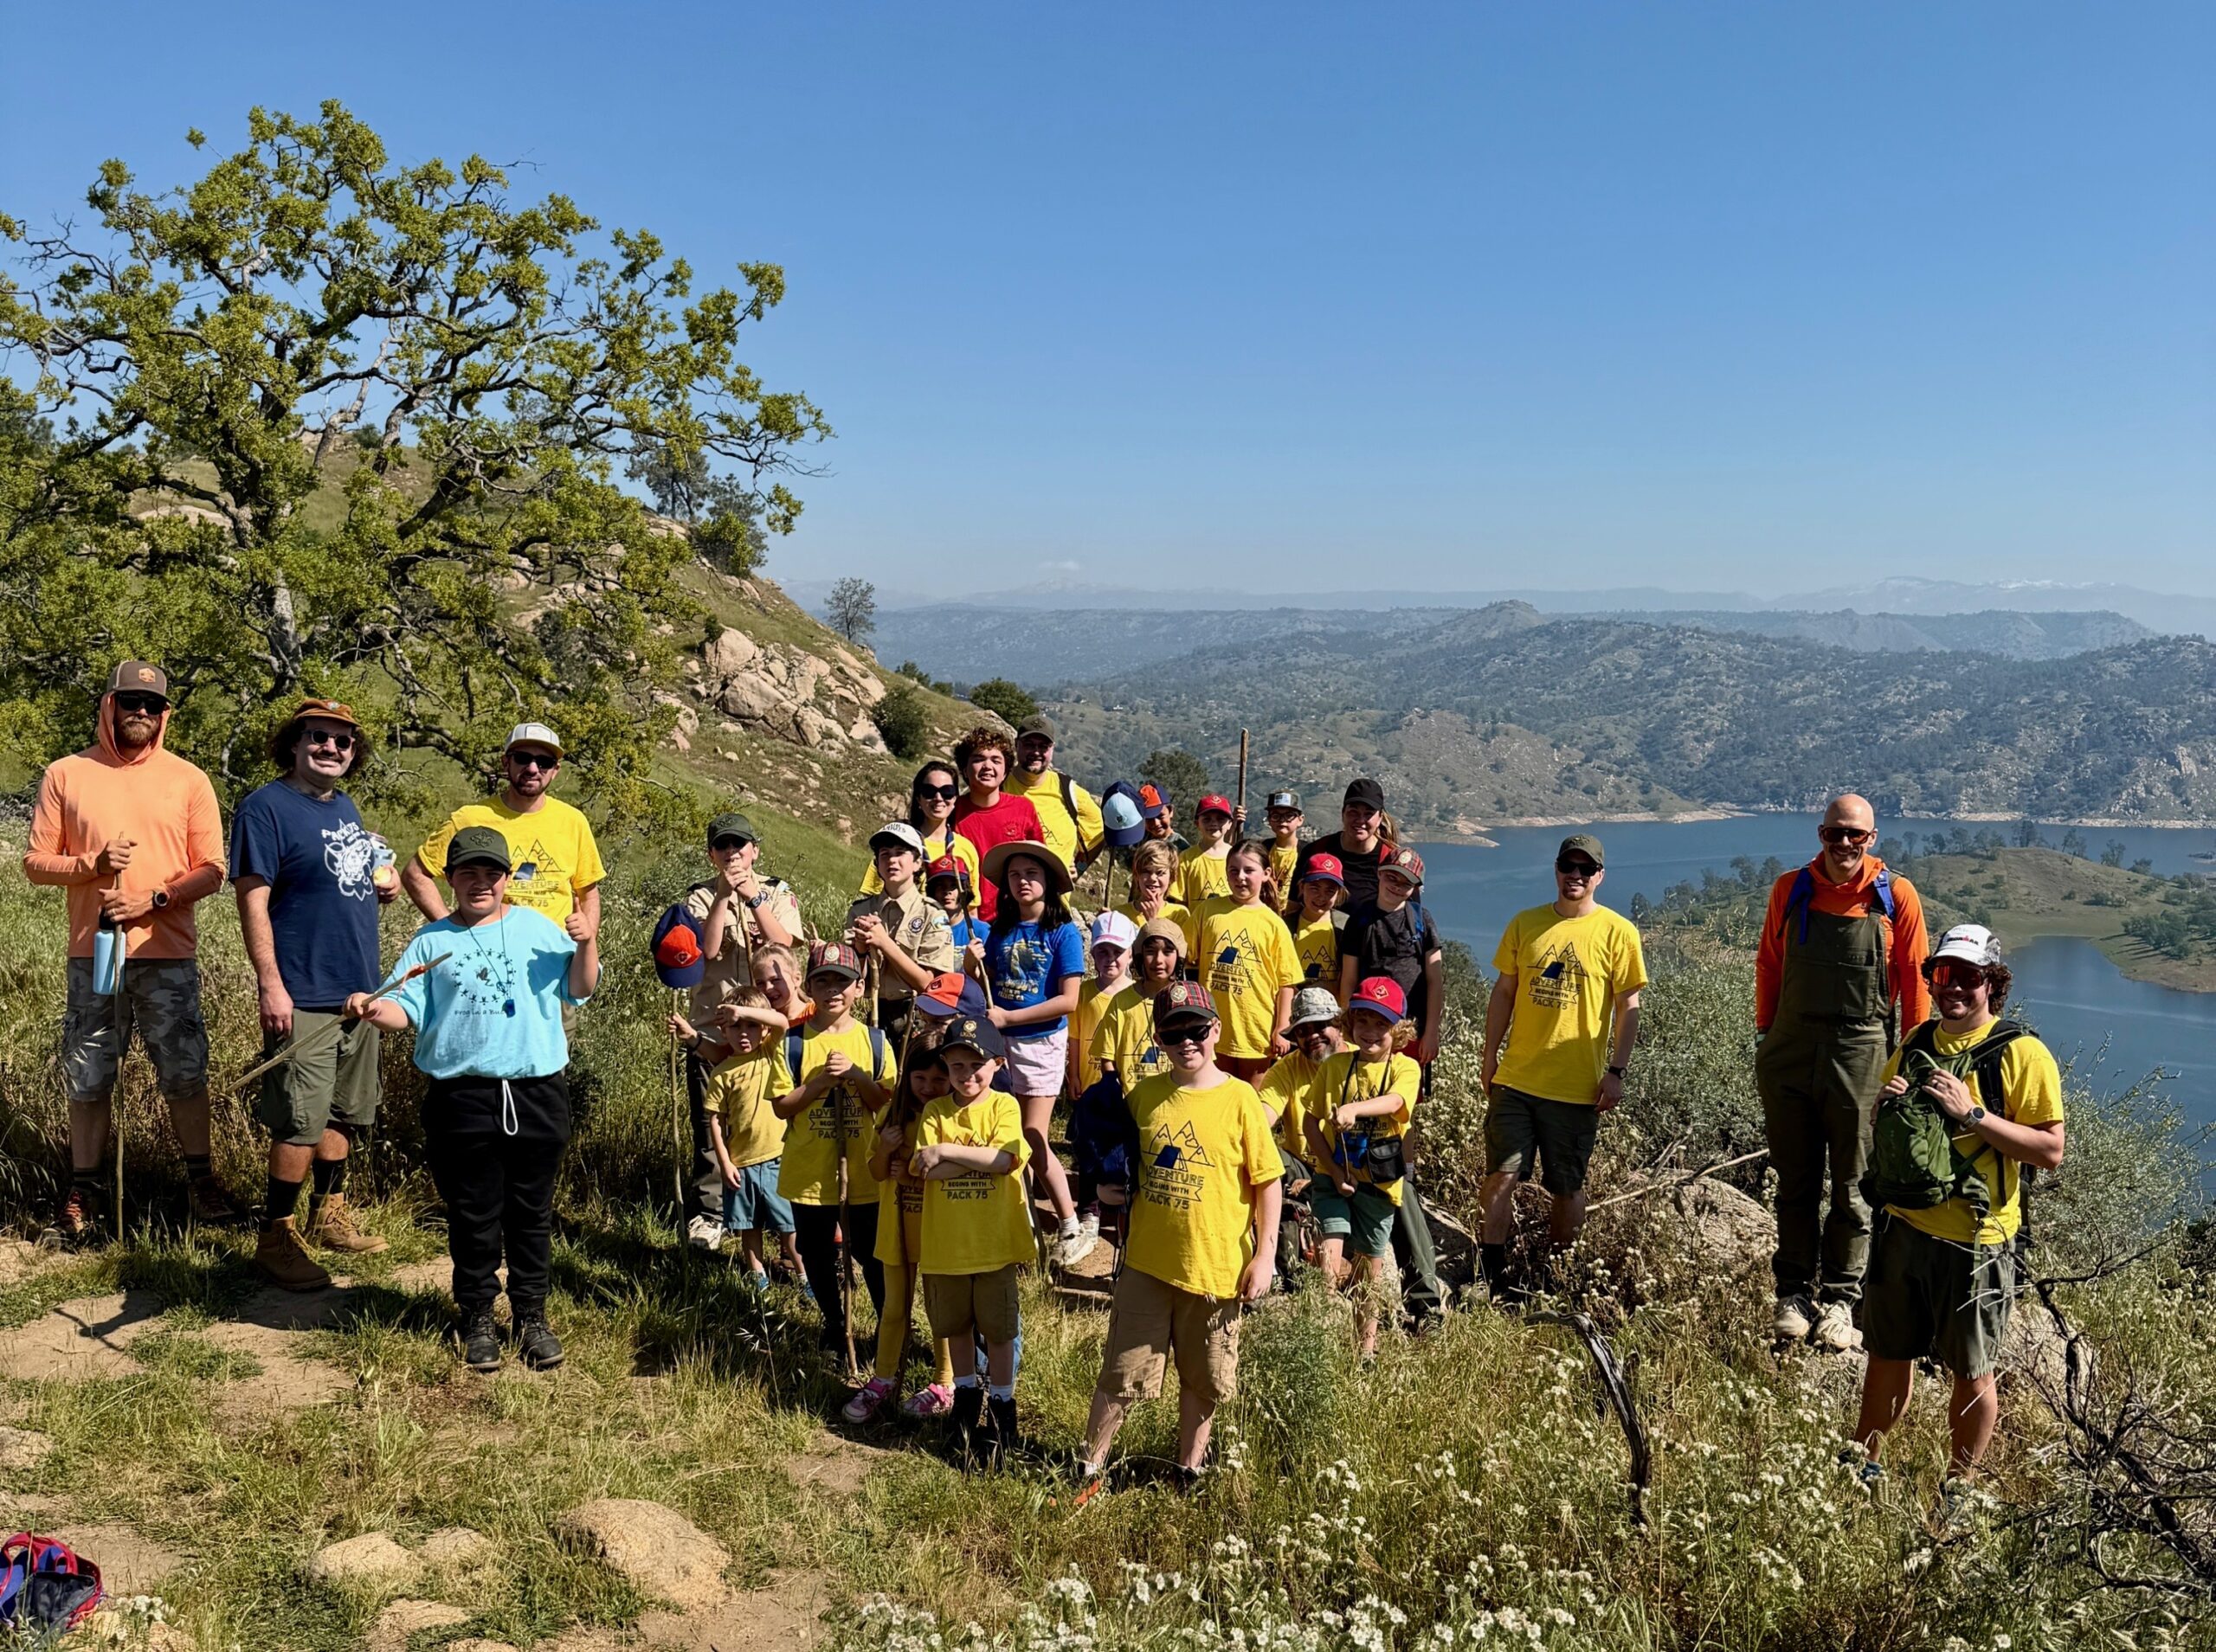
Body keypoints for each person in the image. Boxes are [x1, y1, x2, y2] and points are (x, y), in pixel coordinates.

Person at [345, 826, 600, 1371]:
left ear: (508, 879)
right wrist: (372, 1008)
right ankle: (478, 1316)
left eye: (491, 873)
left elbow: (580, 987)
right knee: (473, 1214)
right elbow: (403, 1011)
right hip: (460, 1097)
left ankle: (531, 1316)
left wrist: (587, 939)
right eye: (468, 873)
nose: (480, 882)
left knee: (531, 1212)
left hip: (535, 1091)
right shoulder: (431, 942)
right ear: (451, 879)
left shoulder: (539, 928)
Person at [1852, 925, 2064, 1512]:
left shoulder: (2020, 1052)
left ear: (1992, 985)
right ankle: (1862, 1467)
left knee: (1972, 1371)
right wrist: (1890, 1104)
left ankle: (1958, 1489)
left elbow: (2050, 1150)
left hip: (1977, 1240)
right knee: (1886, 1353)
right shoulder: (1917, 1042)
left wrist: (1972, 1114)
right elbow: (1884, 1127)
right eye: (1942, 975)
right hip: (1901, 1227)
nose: (1953, 989)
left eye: (1968, 977)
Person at [25, 661, 236, 1237]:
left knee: (185, 1072)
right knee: (89, 1072)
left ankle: (201, 1183)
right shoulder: (66, 774)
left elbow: (213, 869)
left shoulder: (189, 780)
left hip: (167, 954)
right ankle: (84, 1191)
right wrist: (90, 866)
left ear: (164, 713)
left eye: (152, 703)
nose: (140, 711)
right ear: (109, 705)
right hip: (94, 954)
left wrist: (154, 897)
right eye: (130, 701)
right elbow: (35, 863)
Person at [1075, 981, 1282, 1490]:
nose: (1186, 1041)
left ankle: (1188, 1469)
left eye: (1196, 1029)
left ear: (1216, 1029)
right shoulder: (1144, 1096)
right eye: (1173, 1032)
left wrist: (1266, 1256)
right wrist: (1108, 1185)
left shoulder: (1240, 1099)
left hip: (1215, 1267)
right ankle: (1089, 1466)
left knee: (1204, 1375)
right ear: (1159, 1039)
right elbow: (1124, 1167)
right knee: (1122, 1370)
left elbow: (1267, 1182)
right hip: (1147, 1262)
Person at [230, 697, 399, 1289]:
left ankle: (328, 1214)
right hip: (301, 989)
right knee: (300, 1119)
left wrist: (383, 882)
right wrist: (270, 985)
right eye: (318, 737)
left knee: (344, 1111)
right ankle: (274, 1234)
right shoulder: (265, 808)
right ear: (294, 743)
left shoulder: (345, 807)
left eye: (343, 740)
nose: (331, 747)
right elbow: (252, 902)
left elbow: (342, 876)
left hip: (358, 990)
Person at [1755, 794, 1931, 1351]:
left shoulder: (1894, 896)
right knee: (1796, 1177)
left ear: (1873, 838)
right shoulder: (1792, 888)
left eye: (1857, 835)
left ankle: (1839, 1298)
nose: (1846, 845)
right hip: (1791, 1046)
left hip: (1862, 1050)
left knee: (1854, 1182)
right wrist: (1767, 1036)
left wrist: (1911, 1060)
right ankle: (1792, 1292)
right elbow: (1770, 962)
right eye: (1836, 834)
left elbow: (1915, 981)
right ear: (1821, 835)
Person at [1479, 834, 1646, 1302]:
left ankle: (1555, 1281)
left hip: (1576, 1089)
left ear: (1599, 876)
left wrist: (1617, 1071)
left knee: (1567, 1188)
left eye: (1585, 869)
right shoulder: (1525, 924)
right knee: (1501, 1176)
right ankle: (1491, 1280)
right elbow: (1504, 993)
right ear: (1555, 870)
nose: (1575, 875)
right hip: (1516, 1079)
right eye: (1567, 866)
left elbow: (1628, 1007)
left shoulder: (1618, 933)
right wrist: (1489, 1056)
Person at [668, 811, 804, 1250]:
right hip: (717, 1028)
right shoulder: (699, 899)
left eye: (740, 846)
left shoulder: (778, 892)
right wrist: (724, 898)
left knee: (770, 1121)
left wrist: (753, 898)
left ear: (755, 851)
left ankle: (777, 1211)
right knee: (714, 1122)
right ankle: (711, 1214)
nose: (733, 853)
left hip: (769, 1032)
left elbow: (784, 945)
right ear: (712, 854)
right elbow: (706, 952)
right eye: (723, 846)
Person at [913, 1014, 1034, 1465]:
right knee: (956, 1327)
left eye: (975, 1065)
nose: (966, 1075)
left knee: (999, 1331)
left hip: (993, 1245)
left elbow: (1005, 1160)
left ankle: (1002, 1405)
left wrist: (946, 1150)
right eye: (956, 1066)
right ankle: (966, 1400)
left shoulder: (1004, 1107)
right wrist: (978, 1160)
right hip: (947, 1247)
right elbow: (926, 1170)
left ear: (997, 1064)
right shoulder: (934, 1111)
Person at [770, 941, 899, 1364]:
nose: (832, 990)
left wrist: (857, 1075)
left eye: (842, 981)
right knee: (817, 1253)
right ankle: (833, 1324)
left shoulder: (875, 1041)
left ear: (859, 988)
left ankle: (890, 1330)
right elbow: (781, 1105)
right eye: (822, 980)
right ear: (808, 987)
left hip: (864, 1172)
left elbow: (884, 1101)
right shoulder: (792, 1043)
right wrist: (821, 1083)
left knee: (873, 1257)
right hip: (810, 1173)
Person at [978, 841, 1094, 1267]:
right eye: (1014, 875)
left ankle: (1069, 1222)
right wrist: (975, 964)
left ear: (1048, 881)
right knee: (1008, 1131)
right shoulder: (999, 931)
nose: (1023, 881)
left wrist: (1010, 1019)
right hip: (1003, 1044)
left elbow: (1069, 1000)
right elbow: (989, 980)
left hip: (1042, 1043)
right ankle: (1019, 1222)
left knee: (1033, 1135)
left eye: (1032, 873)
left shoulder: (1062, 933)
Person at [1304, 978, 1424, 1357]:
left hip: (1378, 1186)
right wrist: (1335, 1172)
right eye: (1363, 1021)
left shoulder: (1406, 1069)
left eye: (1381, 1024)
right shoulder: (1336, 1066)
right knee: (1330, 1250)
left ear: (1398, 1029)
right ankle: (1318, 1337)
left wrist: (1355, 1109)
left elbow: (1395, 1103)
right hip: (1333, 1176)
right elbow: (1310, 1123)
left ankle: (1365, 1351)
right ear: (1350, 1024)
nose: (1370, 1032)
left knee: (1368, 1275)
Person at [846, 1033, 961, 1424]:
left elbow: (942, 1173)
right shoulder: (892, 1116)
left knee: (939, 1310)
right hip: (895, 1231)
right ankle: (883, 1379)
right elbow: (876, 1172)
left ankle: (944, 1383)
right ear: (907, 1077)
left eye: (938, 1080)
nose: (928, 1088)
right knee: (894, 1309)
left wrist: (910, 1167)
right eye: (920, 1079)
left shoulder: (949, 1118)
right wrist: (883, 1150)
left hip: (938, 1234)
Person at [404, 723, 605, 945]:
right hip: (489, 957)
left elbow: (589, 894)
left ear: (555, 770)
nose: (532, 768)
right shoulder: (470, 819)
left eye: (544, 762)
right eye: (522, 758)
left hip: (556, 960)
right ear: (506, 762)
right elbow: (415, 874)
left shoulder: (573, 822)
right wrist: (455, 935)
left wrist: (587, 948)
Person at [699, 989, 793, 1291]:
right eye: (735, 1026)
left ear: (762, 1028)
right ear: (722, 1029)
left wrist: (744, 1013)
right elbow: (715, 1119)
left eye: (750, 1025)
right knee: (747, 1225)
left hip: (779, 1155)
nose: (743, 1033)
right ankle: (757, 1275)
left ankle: (804, 1274)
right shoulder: (722, 1072)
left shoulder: (769, 1051)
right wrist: (724, 1163)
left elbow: (782, 1022)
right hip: (741, 1162)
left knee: (788, 1225)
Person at [1195, 841, 1299, 1082]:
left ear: (1266, 874)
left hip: (1255, 1030)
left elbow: (1287, 983)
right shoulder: (1208, 911)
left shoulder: (1273, 924)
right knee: (1218, 1100)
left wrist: (1281, 1029)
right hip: (1212, 1026)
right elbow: (1187, 955)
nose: (1240, 877)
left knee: (1252, 1105)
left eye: (1248, 871)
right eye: (1234, 870)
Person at [1256, 987, 1341, 1278]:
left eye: (1321, 1026)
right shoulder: (1287, 1069)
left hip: (1349, 1169)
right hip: (1300, 1167)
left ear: (1339, 1025)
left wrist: (1321, 1181)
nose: (1313, 1035)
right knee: (1258, 1151)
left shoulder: (1360, 1061)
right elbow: (1261, 1119)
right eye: (1304, 1031)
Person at [847, 822, 958, 1043]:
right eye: (885, 854)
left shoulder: (932, 913)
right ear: (877, 863)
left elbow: (929, 984)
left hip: (916, 1017)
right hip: (874, 1014)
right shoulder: (860, 910)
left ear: (917, 862)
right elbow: (853, 982)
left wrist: (884, 943)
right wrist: (860, 949)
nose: (892, 860)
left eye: (900, 853)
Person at [1337, 845, 1444, 1064]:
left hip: (1410, 1029)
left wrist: (1431, 1033)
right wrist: (1347, 1028)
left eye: (1405, 883)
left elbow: (1435, 980)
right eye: (1391, 877)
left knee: (1405, 1092)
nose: (1396, 886)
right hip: (1368, 1029)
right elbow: (1348, 978)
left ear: (1415, 888)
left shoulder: (1421, 920)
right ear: (1379, 874)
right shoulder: (1359, 920)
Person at [950, 726, 1046, 922]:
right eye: (978, 759)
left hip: (1015, 918)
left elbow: (1040, 864)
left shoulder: (1023, 808)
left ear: (1005, 771)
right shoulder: (952, 811)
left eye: (996, 760)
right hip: (964, 919)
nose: (987, 766)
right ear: (964, 770)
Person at [1089, 918, 1189, 1091]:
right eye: (1151, 952)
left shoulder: (1188, 1003)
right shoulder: (1121, 1002)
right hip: (1130, 1102)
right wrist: (1113, 1088)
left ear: (1179, 956)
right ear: (1139, 955)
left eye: (1167, 952)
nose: (1158, 960)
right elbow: (1107, 1057)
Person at [862, 762, 982, 902]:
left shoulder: (966, 849)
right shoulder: (896, 841)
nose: (938, 798)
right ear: (918, 798)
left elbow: (971, 909)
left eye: (947, 792)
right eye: (929, 791)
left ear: (955, 799)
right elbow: (871, 899)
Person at [1006, 715, 1105, 881]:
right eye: (1029, 745)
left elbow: (1098, 835)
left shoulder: (1068, 791)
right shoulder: (999, 788)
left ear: (1052, 748)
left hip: (1057, 902)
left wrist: (1079, 868)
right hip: (1007, 900)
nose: (1036, 752)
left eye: (1043, 746)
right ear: (1016, 745)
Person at [1294, 777, 1390, 909]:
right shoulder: (1316, 851)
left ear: (1380, 819)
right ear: (1343, 814)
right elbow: (1294, 903)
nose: (1360, 820)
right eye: (1353, 812)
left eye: (1368, 814)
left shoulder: (1390, 862)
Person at [1070, 910, 1137, 1096]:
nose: (1110, 959)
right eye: (1103, 952)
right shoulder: (1083, 992)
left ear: (1130, 954)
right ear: (1092, 954)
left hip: (1126, 1085)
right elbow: (1074, 1038)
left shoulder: (1138, 993)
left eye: (1117, 952)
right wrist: (1073, 1075)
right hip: (1089, 1083)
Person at [1287, 852, 1346, 997]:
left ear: (1338, 894)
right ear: (1301, 887)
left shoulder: (1344, 927)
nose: (1321, 896)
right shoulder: (1286, 925)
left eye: (1330, 891)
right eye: (1314, 888)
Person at [1113, 840, 1191, 948]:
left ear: (1171, 877)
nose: (1153, 878)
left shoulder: (1179, 914)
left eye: (1160, 873)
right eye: (1146, 871)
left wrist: (1152, 923)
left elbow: (1176, 956)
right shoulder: (1120, 914)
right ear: (1136, 875)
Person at [1173, 794, 1239, 909]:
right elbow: (1180, 901)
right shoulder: (1186, 858)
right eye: (1207, 819)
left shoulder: (1237, 857)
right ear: (1197, 823)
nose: (1213, 823)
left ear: (1230, 824)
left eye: (1220, 819)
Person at [927, 856, 987, 959]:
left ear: (965, 890)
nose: (947, 891)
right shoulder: (926, 930)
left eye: (954, 886)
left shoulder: (981, 930)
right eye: (940, 886)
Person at [1263, 790, 1304, 894]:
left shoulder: (1308, 853)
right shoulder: (1261, 849)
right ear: (1269, 820)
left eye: (1289, 816)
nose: (1282, 820)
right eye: (1276, 816)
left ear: (1300, 820)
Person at [1137, 783, 1188, 852]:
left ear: (1170, 811)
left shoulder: (1180, 847)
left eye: (1160, 816)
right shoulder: (1142, 840)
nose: (1156, 823)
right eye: (1149, 818)